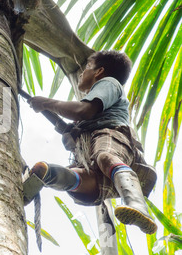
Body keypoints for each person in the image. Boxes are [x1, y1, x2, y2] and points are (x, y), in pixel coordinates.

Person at [23, 50, 157, 235]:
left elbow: (83, 111)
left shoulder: (109, 83)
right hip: (96, 165)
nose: (82, 72)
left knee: (105, 156)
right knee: (75, 180)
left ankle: (136, 204)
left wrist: (46, 103)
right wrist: (67, 128)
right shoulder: (94, 108)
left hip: (111, 137)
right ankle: (41, 177)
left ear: (99, 71)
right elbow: (76, 124)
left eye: (87, 67)